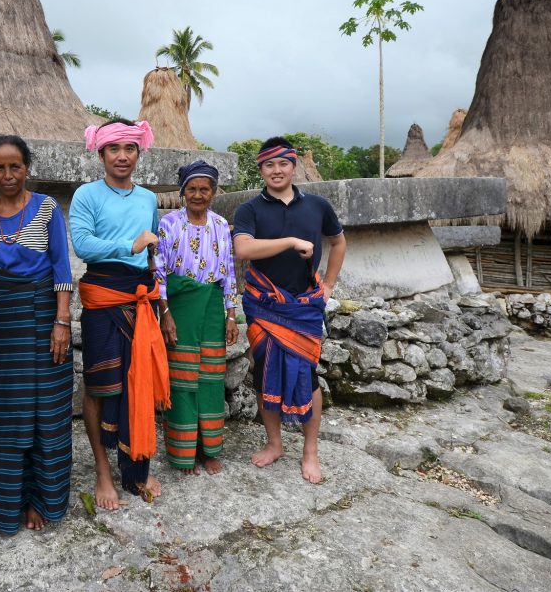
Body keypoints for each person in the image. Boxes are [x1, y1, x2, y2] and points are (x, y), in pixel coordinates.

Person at [0, 134, 74, 536]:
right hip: (7, 322)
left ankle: (43, 501)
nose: (8, 174)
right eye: (0, 167)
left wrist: (62, 321)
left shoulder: (48, 209)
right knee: (12, 412)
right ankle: (10, 503)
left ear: (27, 167)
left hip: (48, 316)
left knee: (47, 411)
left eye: (15, 166)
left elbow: (62, 268)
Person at [232, 136, 346, 484]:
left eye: (283, 164)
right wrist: (291, 242)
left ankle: (310, 451)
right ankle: (274, 443)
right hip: (263, 306)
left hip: (304, 308)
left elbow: (338, 241)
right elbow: (243, 249)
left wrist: (328, 284)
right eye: (269, 165)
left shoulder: (318, 206)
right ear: (261, 169)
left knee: (309, 376)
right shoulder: (249, 210)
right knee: (265, 369)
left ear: (294, 166)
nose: (277, 170)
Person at [69, 118, 168, 509]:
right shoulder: (86, 195)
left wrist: (163, 304)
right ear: (101, 153)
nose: (122, 156)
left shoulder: (147, 199)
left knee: (140, 379)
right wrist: (130, 244)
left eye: (130, 149)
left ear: (139, 153)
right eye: (114, 149)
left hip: (142, 298)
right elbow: (83, 245)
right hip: (103, 299)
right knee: (99, 385)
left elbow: (153, 253)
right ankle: (103, 472)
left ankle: (137, 462)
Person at [155, 160, 238, 475]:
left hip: (213, 309)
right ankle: (182, 453)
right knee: (182, 381)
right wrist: (165, 313)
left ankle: (209, 451)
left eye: (205, 189)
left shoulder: (221, 225)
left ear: (214, 192)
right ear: (182, 192)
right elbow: (159, 273)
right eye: (192, 189)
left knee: (210, 381)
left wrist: (231, 315)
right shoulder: (169, 225)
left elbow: (229, 272)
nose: (198, 195)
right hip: (180, 308)